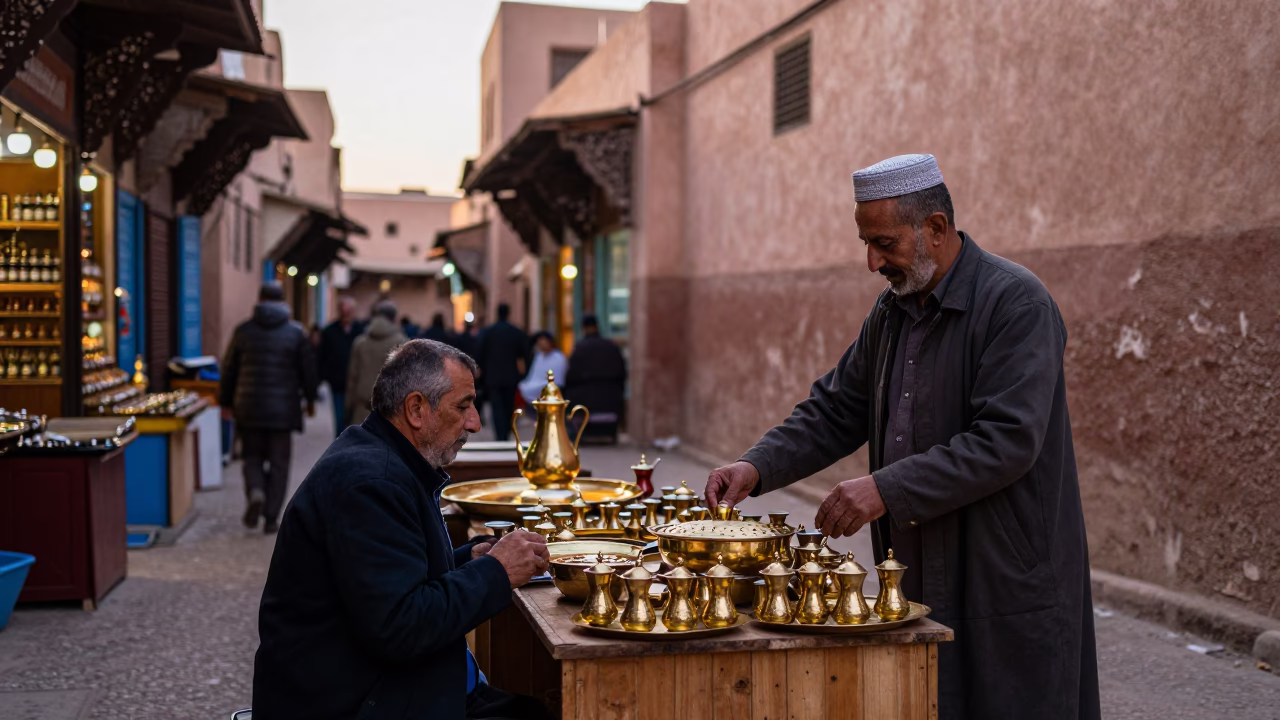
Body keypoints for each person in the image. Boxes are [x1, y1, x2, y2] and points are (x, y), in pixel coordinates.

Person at [704, 155, 1099, 720]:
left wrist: (884, 489)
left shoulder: (1017, 303)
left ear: (935, 229)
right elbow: (838, 407)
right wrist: (757, 467)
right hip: (916, 564)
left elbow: (1006, 440)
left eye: (884, 243)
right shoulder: (891, 313)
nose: (871, 261)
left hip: (1001, 572)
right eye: (866, 243)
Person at [253, 340, 553, 720]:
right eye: (463, 406)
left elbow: (389, 578)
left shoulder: (384, 458)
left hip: (378, 686)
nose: (475, 422)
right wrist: (497, 572)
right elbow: (401, 626)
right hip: (354, 702)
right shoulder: (372, 482)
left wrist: (471, 560)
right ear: (416, 409)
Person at [219, 282, 319, 534]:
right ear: (282, 300)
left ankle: (255, 490)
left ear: (259, 299)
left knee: (251, 457)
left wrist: (225, 401)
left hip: (248, 407)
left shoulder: (243, 331)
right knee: (279, 463)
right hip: (282, 410)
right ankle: (271, 517)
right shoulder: (295, 333)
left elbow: (229, 368)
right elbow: (307, 370)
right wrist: (310, 399)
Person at [563, 314, 627, 442]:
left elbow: (571, 376)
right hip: (610, 395)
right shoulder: (610, 346)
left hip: (583, 397)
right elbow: (622, 372)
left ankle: (576, 433)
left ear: (583, 328)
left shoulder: (580, 347)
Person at [345, 300, 409, 426]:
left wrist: (348, 408)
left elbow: (352, 378)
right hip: (392, 411)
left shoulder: (360, 343)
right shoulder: (402, 342)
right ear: (394, 318)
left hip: (362, 409)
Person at [475, 303, 528, 440]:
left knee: (496, 407)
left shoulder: (489, 332)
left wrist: (482, 370)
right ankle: (506, 433)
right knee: (508, 406)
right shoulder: (515, 331)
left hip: (493, 376)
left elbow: (480, 353)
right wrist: (524, 374)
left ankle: (500, 435)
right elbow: (526, 353)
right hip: (511, 375)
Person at [318, 296, 363, 437]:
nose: (346, 316)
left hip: (357, 384)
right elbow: (322, 356)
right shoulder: (329, 332)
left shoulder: (361, 331)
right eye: (344, 312)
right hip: (338, 382)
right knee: (339, 421)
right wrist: (324, 376)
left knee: (355, 422)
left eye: (349, 312)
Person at [518, 331, 568, 404]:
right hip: (537, 383)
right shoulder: (539, 356)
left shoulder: (559, 357)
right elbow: (534, 375)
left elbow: (558, 378)